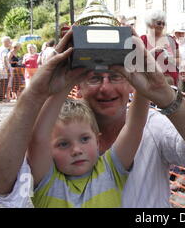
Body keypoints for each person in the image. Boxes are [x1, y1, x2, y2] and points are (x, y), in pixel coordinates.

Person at [0, 29, 185, 208]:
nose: (105, 88)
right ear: (79, 85)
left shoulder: (151, 127)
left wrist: (160, 92)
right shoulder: (57, 131)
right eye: (95, 78)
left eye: (116, 77)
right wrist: (37, 93)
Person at [27, 79, 149, 207]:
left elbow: (135, 125)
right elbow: (37, 138)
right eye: (63, 144)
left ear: (97, 141)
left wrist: (145, 75)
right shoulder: (45, 181)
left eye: (84, 139)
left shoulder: (111, 170)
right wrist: (66, 79)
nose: (76, 150)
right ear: (48, 149)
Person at [140, 10, 179, 85]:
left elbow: (179, 59)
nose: (161, 26)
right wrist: (152, 52)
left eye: (163, 23)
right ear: (150, 23)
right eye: (159, 23)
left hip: (171, 80)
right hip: (151, 81)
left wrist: (172, 60)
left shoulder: (170, 39)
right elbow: (138, 61)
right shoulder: (143, 39)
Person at [0, 36, 11, 103]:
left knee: (2, 83)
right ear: (5, 42)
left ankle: (2, 97)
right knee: (4, 83)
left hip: (1, 67)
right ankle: (2, 98)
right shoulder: (4, 49)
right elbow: (4, 59)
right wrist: (7, 69)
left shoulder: (0, 48)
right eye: (9, 41)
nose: (10, 43)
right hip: (4, 68)